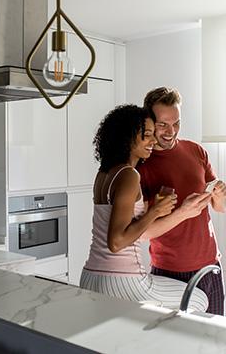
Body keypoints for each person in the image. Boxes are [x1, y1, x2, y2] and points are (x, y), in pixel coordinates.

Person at [80, 104, 208, 311]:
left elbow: (117, 224)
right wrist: (155, 212)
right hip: (122, 280)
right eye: (146, 135)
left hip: (90, 277)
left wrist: (153, 208)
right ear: (128, 137)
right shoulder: (129, 175)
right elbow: (116, 242)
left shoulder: (104, 174)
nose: (153, 140)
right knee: (199, 298)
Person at [137, 87, 226, 316]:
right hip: (170, 273)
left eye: (176, 123)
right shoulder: (142, 166)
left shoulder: (196, 151)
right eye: (163, 125)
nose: (171, 132)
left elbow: (221, 208)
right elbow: (142, 232)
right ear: (148, 122)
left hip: (211, 267)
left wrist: (222, 196)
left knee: (215, 342)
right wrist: (183, 213)